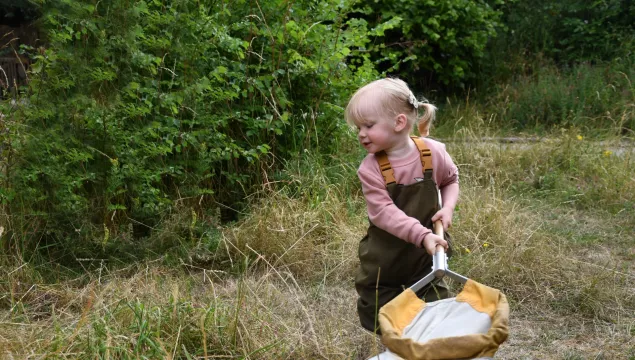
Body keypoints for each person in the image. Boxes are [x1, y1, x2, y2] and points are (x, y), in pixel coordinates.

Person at [345, 78, 459, 333]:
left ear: (399, 122)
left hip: (425, 254)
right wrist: (423, 235)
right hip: (386, 254)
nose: (361, 134)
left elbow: (451, 179)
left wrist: (448, 208)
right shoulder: (371, 168)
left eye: (368, 125)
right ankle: (395, 340)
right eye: (358, 128)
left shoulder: (433, 152)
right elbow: (383, 213)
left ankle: (430, 340)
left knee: (434, 303)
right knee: (376, 302)